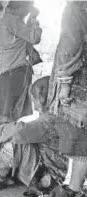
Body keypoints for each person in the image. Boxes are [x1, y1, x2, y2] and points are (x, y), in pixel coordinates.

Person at [0, 76, 68, 196]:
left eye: (33, 99)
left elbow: (20, 131)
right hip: (54, 171)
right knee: (20, 138)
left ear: (42, 98)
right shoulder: (63, 115)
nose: (33, 104)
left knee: (15, 142)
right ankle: (6, 176)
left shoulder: (50, 120)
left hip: (52, 177)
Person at [47, 2, 87, 197]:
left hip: (81, 81)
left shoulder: (76, 7)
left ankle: (74, 190)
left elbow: (70, 45)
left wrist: (64, 84)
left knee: (81, 138)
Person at [0, 1, 42, 128]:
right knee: (10, 112)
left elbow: (24, 35)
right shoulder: (13, 20)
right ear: (18, 8)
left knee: (5, 110)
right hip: (13, 70)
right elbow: (34, 37)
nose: (27, 12)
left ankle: (1, 141)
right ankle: (5, 142)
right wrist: (34, 18)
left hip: (6, 70)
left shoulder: (6, 20)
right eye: (26, 9)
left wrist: (31, 18)